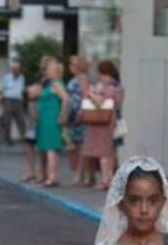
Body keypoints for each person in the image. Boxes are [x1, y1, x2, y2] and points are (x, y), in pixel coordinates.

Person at [80, 61, 121, 191]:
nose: (100, 77)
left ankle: (105, 180)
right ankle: (109, 179)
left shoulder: (109, 88)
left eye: (101, 74)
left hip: (103, 122)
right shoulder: (116, 86)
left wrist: (91, 93)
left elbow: (99, 101)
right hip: (109, 121)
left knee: (103, 153)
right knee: (107, 152)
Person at [35, 59, 69, 187]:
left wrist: (63, 116)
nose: (46, 72)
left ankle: (52, 177)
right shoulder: (50, 84)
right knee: (48, 148)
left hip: (51, 119)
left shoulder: (56, 84)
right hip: (45, 119)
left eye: (48, 69)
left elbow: (66, 99)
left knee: (51, 148)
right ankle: (49, 176)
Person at [66, 55, 92, 186]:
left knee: (82, 145)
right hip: (73, 114)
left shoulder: (82, 78)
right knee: (77, 145)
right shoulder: (75, 78)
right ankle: (84, 174)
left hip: (80, 114)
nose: (70, 67)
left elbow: (86, 94)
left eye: (73, 65)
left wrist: (82, 110)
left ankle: (81, 174)